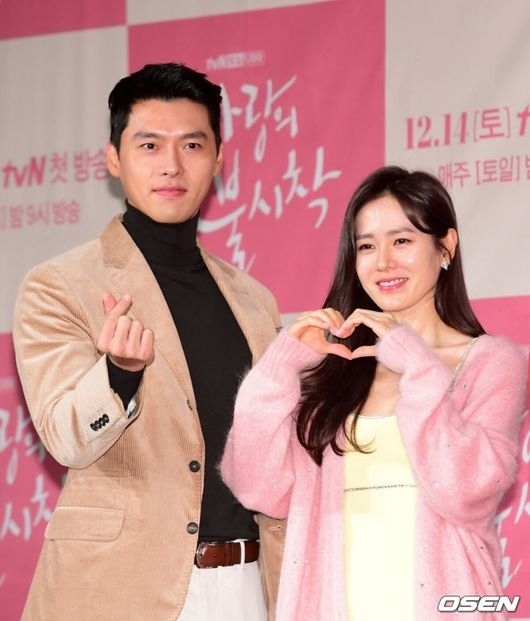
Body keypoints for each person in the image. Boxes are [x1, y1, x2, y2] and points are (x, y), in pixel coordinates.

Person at [13, 62, 283, 621]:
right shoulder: (59, 285)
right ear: (114, 159)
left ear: (219, 158)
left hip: (249, 585)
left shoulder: (255, 301)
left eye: (192, 144)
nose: (172, 164)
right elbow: (64, 437)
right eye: (150, 145)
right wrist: (118, 373)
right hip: (122, 589)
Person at [221, 165, 528, 621]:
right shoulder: (333, 372)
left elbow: (468, 490)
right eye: (366, 246)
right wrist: (280, 366)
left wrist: (416, 363)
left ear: (446, 246)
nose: (382, 262)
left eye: (401, 240)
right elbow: (257, 488)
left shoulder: (490, 361)